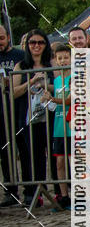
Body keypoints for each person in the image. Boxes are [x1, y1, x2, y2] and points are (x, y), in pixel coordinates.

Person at [11, 29, 54, 207]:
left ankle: (59, 192)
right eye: (32, 43)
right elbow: (13, 92)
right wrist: (31, 81)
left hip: (51, 115)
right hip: (29, 117)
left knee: (53, 153)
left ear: (46, 45)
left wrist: (45, 85)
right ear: (27, 46)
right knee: (32, 155)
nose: (36, 46)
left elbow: (59, 86)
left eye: (40, 42)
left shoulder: (51, 63)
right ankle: (33, 192)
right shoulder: (21, 66)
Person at [42, 44, 71, 209]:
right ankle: (64, 195)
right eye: (59, 58)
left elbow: (70, 99)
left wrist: (52, 99)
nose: (62, 61)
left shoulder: (75, 76)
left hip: (73, 127)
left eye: (66, 57)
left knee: (73, 162)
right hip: (59, 127)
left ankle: (78, 195)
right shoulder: (57, 79)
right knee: (59, 163)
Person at [0, 25, 25, 207]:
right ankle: (10, 191)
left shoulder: (19, 55)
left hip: (19, 109)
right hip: (1, 112)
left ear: (8, 37)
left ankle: (32, 191)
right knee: (5, 152)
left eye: (1, 38)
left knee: (25, 150)